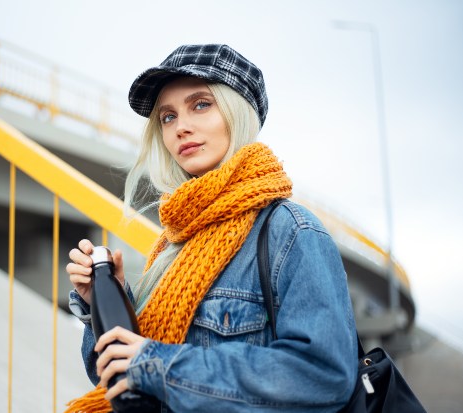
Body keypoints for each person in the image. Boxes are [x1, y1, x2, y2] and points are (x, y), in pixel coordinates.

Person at [65, 44, 357, 413]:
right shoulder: (175, 242)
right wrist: (106, 300)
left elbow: (321, 376)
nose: (181, 127)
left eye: (201, 105)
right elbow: (121, 381)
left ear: (237, 114)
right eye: (167, 117)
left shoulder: (290, 231)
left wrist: (157, 363)